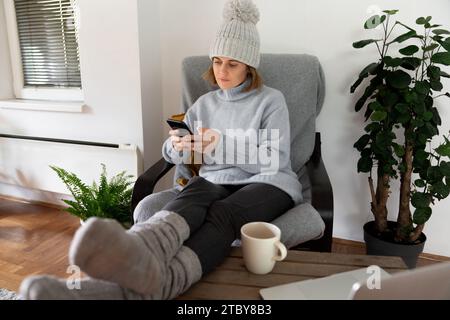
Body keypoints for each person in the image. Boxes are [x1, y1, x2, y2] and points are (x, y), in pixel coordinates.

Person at [19, 0, 302, 300]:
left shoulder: (271, 100)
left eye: (232, 63)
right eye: (217, 61)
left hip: (268, 182)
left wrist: (219, 144)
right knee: (193, 194)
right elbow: (173, 150)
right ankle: (137, 254)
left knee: (222, 213)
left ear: (249, 65)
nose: (222, 70)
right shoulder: (205, 104)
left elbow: (274, 159)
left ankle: (163, 282)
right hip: (216, 180)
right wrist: (177, 145)